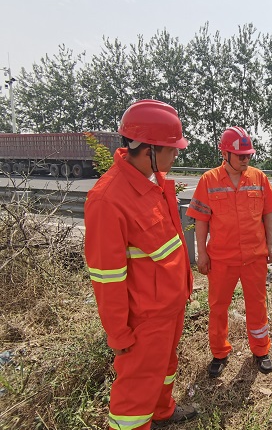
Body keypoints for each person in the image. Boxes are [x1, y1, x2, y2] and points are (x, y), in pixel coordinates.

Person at [84, 99, 198, 430]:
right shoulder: (108, 200)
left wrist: (183, 289)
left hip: (170, 306)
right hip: (145, 320)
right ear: (148, 149)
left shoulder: (152, 181)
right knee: (135, 393)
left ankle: (162, 411)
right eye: (171, 149)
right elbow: (106, 277)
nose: (175, 156)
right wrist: (118, 333)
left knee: (165, 368)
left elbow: (168, 245)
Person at [186, 126, 272, 378]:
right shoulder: (209, 180)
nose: (246, 159)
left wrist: (270, 245)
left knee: (257, 305)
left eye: (248, 155)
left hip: (254, 257)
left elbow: (268, 214)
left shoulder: (259, 178)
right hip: (221, 258)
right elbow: (201, 220)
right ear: (225, 154)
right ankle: (219, 352)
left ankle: (261, 350)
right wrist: (201, 253)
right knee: (218, 307)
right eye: (241, 156)